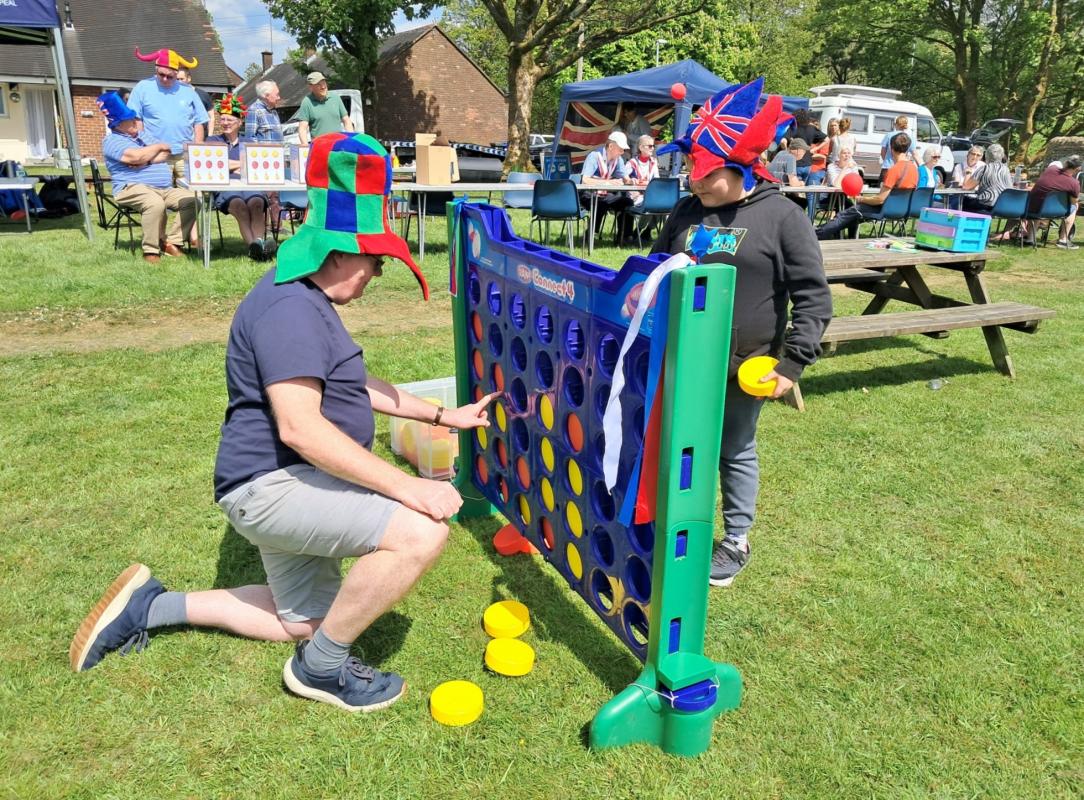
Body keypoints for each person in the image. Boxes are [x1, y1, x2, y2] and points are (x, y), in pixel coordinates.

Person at [70, 132, 502, 713]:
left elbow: (354, 387)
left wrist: (443, 414)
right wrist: (409, 487)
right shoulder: (291, 311)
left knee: (305, 618)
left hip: (282, 482)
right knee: (420, 532)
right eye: (375, 261)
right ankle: (321, 669)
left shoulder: (305, 299)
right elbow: (300, 427)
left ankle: (151, 606)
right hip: (272, 487)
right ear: (339, 252)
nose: (376, 275)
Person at [653, 78, 832, 587]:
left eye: (705, 173)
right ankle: (672, 524)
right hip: (677, 353)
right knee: (674, 443)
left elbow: (815, 297)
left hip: (741, 364)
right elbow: (655, 266)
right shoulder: (688, 210)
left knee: (733, 448)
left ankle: (735, 539)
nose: (694, 181)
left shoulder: (783, 217)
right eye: (690, 168)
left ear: (740, 168)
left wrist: (792, 362)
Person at [96, 91, 197, 264]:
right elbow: (135, 157)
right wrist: (153, 150)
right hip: (131, 187)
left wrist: (146, 158)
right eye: (131, 119)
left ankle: (172, 242)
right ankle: (151, 249)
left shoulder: (144, 136)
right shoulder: (111, 141)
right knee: (154, 203)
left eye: (135, 118)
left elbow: (166, 152)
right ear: (119, 124)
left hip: (163, 188)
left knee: (192, 199)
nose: (136, 121)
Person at [208, 94, 275, 261]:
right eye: (222, 120)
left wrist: (228, 163)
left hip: (248, 183)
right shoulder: (212, 141)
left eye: (229, 120)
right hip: (225, 185)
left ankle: (258, 246)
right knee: (239, 206)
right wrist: (241, 163)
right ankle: (256, 248)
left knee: (257, 203)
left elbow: (256, 165)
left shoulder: (249, 142)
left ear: (240, 122)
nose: (225, 123)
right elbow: (215, 165)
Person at [816, 132, 918, 240]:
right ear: (907, 149)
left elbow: (879, 199)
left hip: (885, 210)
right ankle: (840, 236)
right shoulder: (914, 169)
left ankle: (817, 234)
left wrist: (862, 199)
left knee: (847, 213)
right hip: (902, 211)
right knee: (852, 215)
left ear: (891, 148)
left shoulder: (894, 170)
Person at [127, 47, 208, 182]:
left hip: (185, 155)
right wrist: (144, 149)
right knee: (161, 194)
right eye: (161, 74)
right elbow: (136, 119)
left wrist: (196, 149)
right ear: (156, 69)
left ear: (177, 73)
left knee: (192, 196)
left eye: (170, 76)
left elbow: (199, 121)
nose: (165, 79)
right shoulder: (142, 87)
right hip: (156, 154)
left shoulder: (188, 91)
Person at [581, 130, 635, 243]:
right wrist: (607, 183)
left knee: (627, 202)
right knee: (601, 202)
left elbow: (626, 178)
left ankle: (624, 236)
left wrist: (632, 181)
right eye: (621, 149)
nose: (622, 152)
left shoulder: (618, 160)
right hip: (588, 194)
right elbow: (585, 180)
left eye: (623, 150)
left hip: (605, 194)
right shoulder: (594, 156)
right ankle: (591, 233)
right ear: (611, 146)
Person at [1022, 155, 1080, 248]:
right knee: (1075, 206)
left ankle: (1030, 239)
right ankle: (1063, 239)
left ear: (1065, 164)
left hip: (1032, 208)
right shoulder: (1074, 183)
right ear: (1077, 169)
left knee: (1039, 202)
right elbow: (1074, 201)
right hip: (1055, 211)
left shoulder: (1050, 169)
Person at [297, 72, 354, 145]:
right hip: (320, 148)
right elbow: (302, 128)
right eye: (319, 84)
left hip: (338, 146)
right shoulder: (307, 102)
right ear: (311, 87)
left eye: (324, 82)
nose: (323, 86)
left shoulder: (335, 98)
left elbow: (346, 120)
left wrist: (351, 140)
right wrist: (305, 147)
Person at [962, 143, 1012, 215]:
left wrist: (968, 173)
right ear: (1001, 156)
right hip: (1003, 205)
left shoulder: (985, 168)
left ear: (986, 155)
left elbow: (966, 187)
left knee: (962, 202)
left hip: (987, 204)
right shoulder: (1006, 169)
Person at [784, 108, 826, 186]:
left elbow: (784, 141)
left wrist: (786, 151)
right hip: (808, 164)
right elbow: (827, 139)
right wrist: (816, 148)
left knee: (793, 188)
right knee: (802, 187)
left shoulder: (793, 128)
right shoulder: (812, 128)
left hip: (795, 163)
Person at [177, 68, 215, 138]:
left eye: (182, 79)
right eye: (177, 79)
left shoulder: (203, 95)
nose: (179, 82)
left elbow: (211, 117)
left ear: (189, 78)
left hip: (201, 137)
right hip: (182, 137)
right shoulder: (174, 95)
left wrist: (210, 136)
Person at [879, 116, 919, 181]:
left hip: (887, 167)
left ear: (896, 124)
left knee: (884, 188)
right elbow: (915, 154)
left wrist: (887, 160)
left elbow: (883, 152)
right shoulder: (909, 137)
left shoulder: (888, 135)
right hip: (902, 168)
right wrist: (921, 168)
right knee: (899, 189)